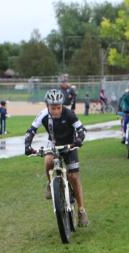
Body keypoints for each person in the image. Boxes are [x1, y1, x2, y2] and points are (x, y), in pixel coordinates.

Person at [24, 89, 88, 226]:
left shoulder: (69, 114)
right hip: (53, 143)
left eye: (58, 107)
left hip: (70, 145)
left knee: (74, 177)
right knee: (48, 160)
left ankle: (81, 210)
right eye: (53, 108)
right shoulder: (43, 114)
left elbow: (81, 129)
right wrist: (27, 146)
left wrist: (79, 140)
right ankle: (50, 183)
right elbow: (31, 131)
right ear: (48, 106)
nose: (56, 111)